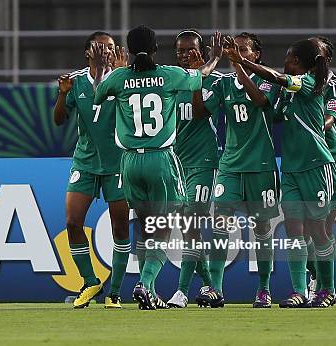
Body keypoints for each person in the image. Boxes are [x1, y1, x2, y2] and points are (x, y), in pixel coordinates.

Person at [92, 25, 222, 310]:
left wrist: (103, 68)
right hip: (160, 158)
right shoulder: (168, 74)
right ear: (156, 49)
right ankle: (146, 284)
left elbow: (97, 94)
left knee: (146, 227)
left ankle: (158, 287)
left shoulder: (119, 77)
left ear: (127, 49)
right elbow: (201, 76)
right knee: (164, 229)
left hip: (129, 162)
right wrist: (213, 57)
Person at [225, 38, 335, 308]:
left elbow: (276, 77)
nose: (284, 63)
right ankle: (300, 291)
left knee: (318, 231)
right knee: (295, 231)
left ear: (296, 62)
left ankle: (328, 289)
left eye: (287, 58)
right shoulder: (287, 92)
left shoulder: (308, 83)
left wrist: (242, 62)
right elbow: (269, 110)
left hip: (317, 166)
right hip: (291, 169)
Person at [192, 33, 281, 308]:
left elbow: (259, 102)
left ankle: (264, 288)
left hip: (261, 166)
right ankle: (215, 289)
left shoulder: (268, 80)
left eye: (244, 50)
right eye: (235, 50)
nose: (238, 53)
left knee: (262, 228)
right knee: (220, 225)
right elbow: (199, 112)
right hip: (230, 165)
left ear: (256, 56)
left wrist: (239, 64)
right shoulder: (224, 84)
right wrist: (197, 80)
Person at [53, 31, 130, 309]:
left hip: (118, 162)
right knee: (73, 222)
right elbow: (59, 120)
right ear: (88, 52)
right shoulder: (74, 81)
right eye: (100, 47)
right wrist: (62, 95)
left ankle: (116, 292)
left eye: (110, 47)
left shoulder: (124, 77)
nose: (106, 51)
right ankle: (90, 281)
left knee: (120, 227)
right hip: (85, 162)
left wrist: (123, 78)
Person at [166, 29, 222, 309]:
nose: (185, 55)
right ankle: (212, 286)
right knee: (189, 231)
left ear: (202, 51)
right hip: (177, 163)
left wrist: (199, 77)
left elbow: (200, 113)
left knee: (190, 224)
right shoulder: (170, 81)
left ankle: (182, 292)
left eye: (191, 50)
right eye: (180, 51)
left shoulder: (214, 80)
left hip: (203, 161)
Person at [302, 36, 336, 307]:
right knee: (303, 230)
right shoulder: (301, 82)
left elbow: (331, 118)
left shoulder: (333, 87)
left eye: (315, 53)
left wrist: (313, 124)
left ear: (325, 58)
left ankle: (326, 288)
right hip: (304, 163)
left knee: (321, 229)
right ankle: (314, 278)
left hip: (331, 161)